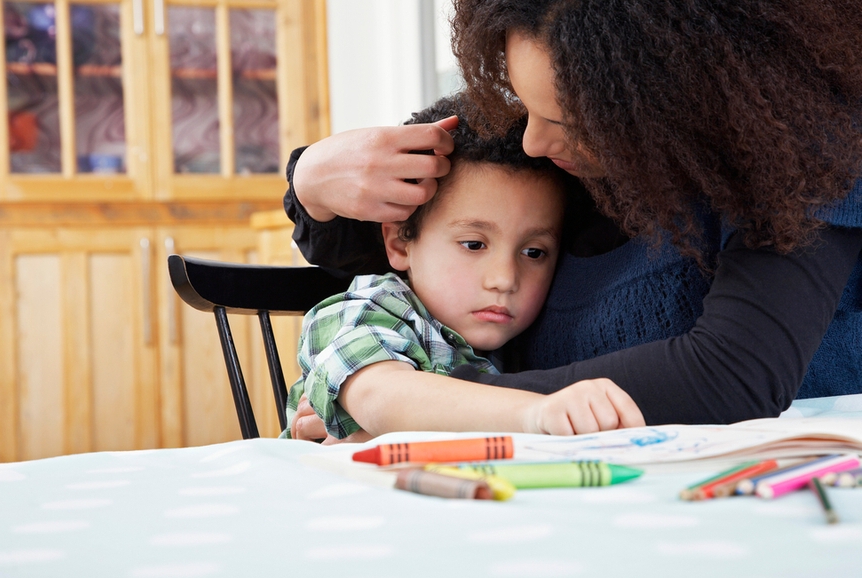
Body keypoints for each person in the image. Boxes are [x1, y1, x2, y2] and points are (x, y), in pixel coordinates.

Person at [284, 0, 862, 439]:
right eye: (525, 104)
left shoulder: (798, 159)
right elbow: (405, 240)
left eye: (564, 121)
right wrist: (309, 180)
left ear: (667, 102)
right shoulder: (561, 161)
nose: (532, 141)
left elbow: (734, 374)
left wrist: (424, 410)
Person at [282, 94, 645, 442]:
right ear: (398, 243)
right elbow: (384, 397)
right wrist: (536, 414)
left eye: (533, 252)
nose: (504, 279)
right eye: (473, 244)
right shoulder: (370, 309)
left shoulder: (521, 341)